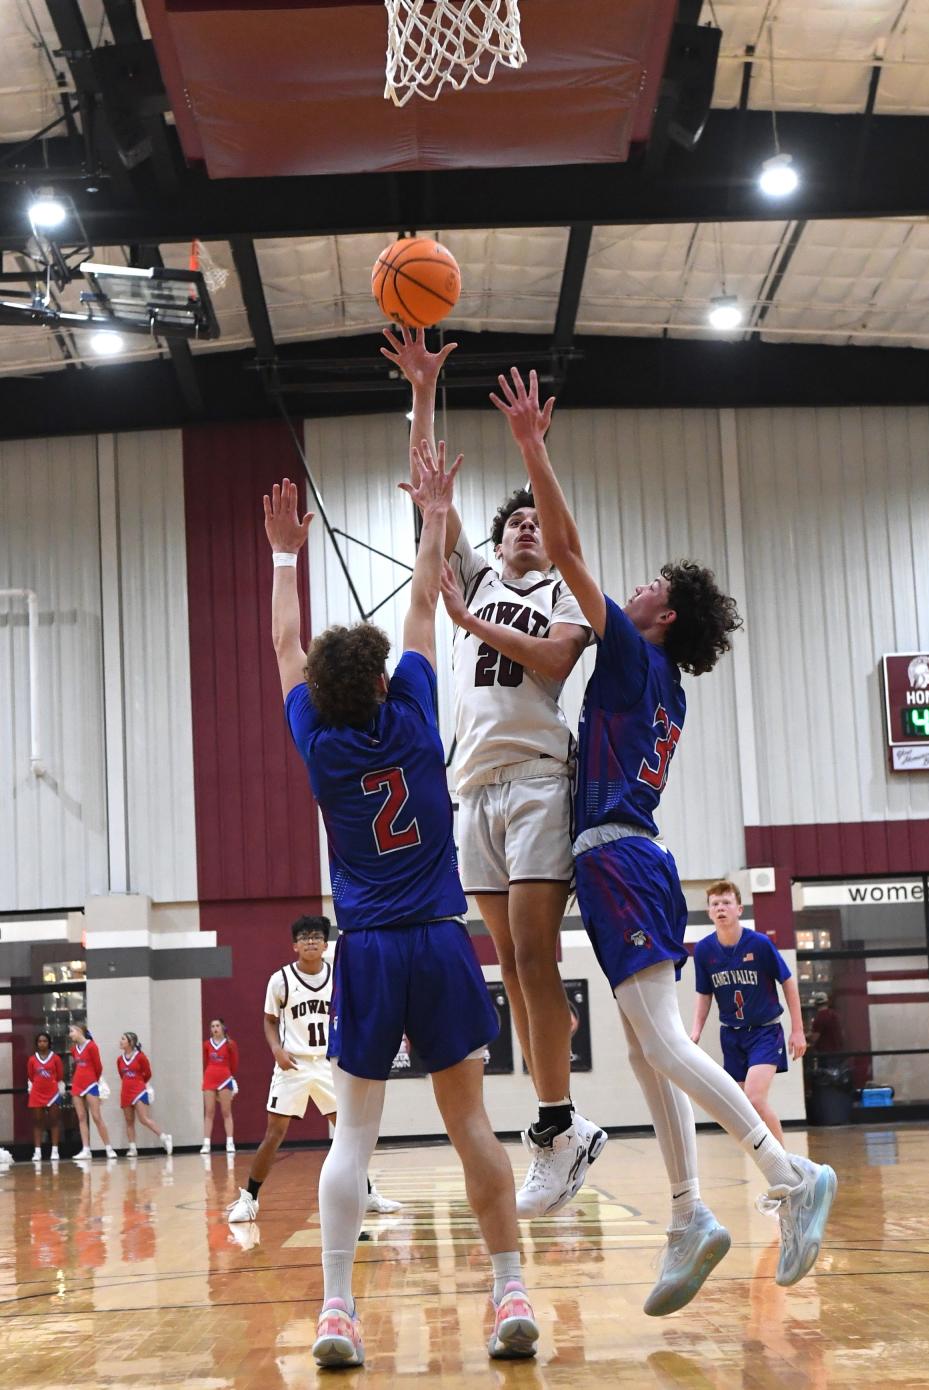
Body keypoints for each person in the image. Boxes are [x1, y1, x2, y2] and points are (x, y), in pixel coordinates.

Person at [487, 365, 837, 1314]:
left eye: (644, 585)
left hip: (621, 855)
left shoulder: (636, 657)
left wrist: (531, 446)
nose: (628, 587)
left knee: (663, 1044)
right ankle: (688, 1215)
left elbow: (561, 547)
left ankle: (788, 1177)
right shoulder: (656, 681)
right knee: (647, 1053)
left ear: (661, 615)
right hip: (617, 857)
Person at [265, 445, 539, 1367]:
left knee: (353, 1134)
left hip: (371, 950)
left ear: (324, 699)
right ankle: (509, 1296)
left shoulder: (320, 746)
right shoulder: (417, 713)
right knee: (472, 1127)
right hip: (440, 938)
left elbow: (283, 649)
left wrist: (280, 556)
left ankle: (338, 1311)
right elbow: (424, 599)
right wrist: (434, 512)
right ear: (382, 684)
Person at [382, 326, 605, 1219]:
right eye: (511, 522)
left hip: (538, 778)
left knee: (539, 958)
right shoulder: (471, 578)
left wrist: (471, 629)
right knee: (509, 967)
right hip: (470, 786)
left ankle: (557, 1122)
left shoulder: (563, 593)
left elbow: (552, 666)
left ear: (544, 545)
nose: (520, 530)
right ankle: (561, 1122)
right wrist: (426, 390)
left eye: (530, 525)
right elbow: (430, 494)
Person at [225, 916, 400, 1220]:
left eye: (316, 936)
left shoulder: (336, 976)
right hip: (292, 1064)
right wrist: (276, 1049)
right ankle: (249, 1197)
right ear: (294, 945)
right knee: (275, 1132)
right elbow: (269, 1020)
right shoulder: (280, 979)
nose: (310, 941)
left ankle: (368, 1194)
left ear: (325, 943)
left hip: (328, 1064)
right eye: (304, 937)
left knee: (349, 1132)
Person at [690, 880, 806, 1146]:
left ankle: (785, 1163)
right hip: (731, 1035)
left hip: (765, 1031)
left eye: (726, 903)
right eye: (715, 904)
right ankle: (771, 1164)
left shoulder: (760, 944)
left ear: (739, 909)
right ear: (709, 912)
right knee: (743, 1108)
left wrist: (797, 1030)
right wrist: (695, 1031)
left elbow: (788, 982)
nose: (721, 908)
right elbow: (704, 993)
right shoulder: (704, 950)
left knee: (754, 1098)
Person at [117, 1031, 173, 1158]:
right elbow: (122, 1075)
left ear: (130, 1042)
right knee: (129, 1121)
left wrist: (140, 1084)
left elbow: (148, 1073)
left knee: (144, 1119)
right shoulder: (119, 1060)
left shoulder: (140, 1057)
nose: (120, 1041)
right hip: (125, 1092)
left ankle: (165, 1137)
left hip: (139, 1090)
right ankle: (132, 1148)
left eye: (123, 1039)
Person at [68, 1021, 117, 1160]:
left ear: (79, 1031)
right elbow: (77, 1067)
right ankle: (86, 1150)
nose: (70, 1034)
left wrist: (93, 1081)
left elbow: (98, 1067)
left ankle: (109, 1148)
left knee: (96, 1117)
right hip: (77, 1084)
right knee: (81, 1118)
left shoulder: (92, 1046)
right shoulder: (73, 1049)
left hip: (90, 1084)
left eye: (72, 1031)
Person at [201, 1017, 239, 1155]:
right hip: (210, 1078)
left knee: (226, 1112)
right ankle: (206, 1144)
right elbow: (205, 1062)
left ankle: (230, 1142)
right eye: (212, 1026)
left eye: (217, 1026)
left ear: (223, 1028)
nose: (215, 1028)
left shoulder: (230, 1044)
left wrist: (230, 1077)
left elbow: (234, 1064)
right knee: (209, 1112)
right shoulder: (206, 1044)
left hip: (224, 1078)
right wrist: (208, 1076)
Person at [27, 1032, 63, 1161]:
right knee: (38, 1122)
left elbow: (60, 1076)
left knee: (54, 1121)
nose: (42, 1043)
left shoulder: (56, 1058)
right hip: (37, 1093)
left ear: (49, 1043)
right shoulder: (32, 1059)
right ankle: (37, 1152)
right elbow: (31, 1076)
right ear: (36, 1044)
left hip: (52, 1093)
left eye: (45, 1041)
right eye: (40, 1041)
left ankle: (55, 1151)